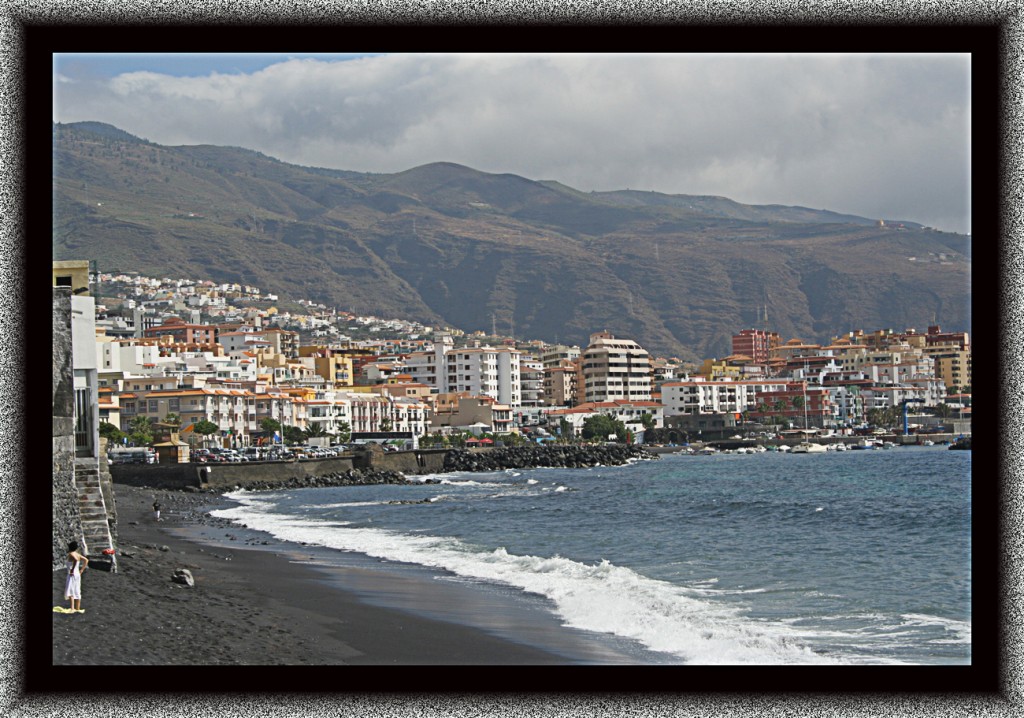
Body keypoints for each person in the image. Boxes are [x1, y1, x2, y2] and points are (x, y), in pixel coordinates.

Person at [64, 540, 88, 613]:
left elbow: (75, 560)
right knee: (77, 590)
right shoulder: (77, 554)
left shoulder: (71, 554)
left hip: (72, 574)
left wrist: (72, 569)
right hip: (77, 574)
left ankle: (72, 608)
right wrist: (82, 570)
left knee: (70, 589)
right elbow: (86, 560)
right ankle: (77, 608)